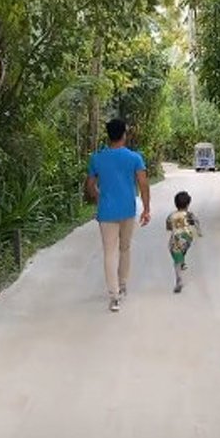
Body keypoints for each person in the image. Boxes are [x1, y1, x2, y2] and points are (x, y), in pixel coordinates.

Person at [86, 119, 151, 312]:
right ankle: (122, 285)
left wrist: (99, 198)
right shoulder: (134, 158)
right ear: (124, 134)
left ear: (108, 135)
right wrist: (147, 208)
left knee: (109, 251)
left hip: (106, 213)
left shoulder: (97, 158)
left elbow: (90, 186)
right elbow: (143, 184)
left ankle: (114, 296)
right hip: (128, 211)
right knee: (125, 248)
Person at [166, 191, 202, 293]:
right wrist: (199, 232)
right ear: (188, 204)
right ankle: (182, 261)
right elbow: (196, 222)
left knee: (174, 252)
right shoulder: (189, 214)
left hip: (176, 238)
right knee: (182, 249)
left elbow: (168, 227)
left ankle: (179, 280)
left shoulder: (171, 216)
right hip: (187, 238)